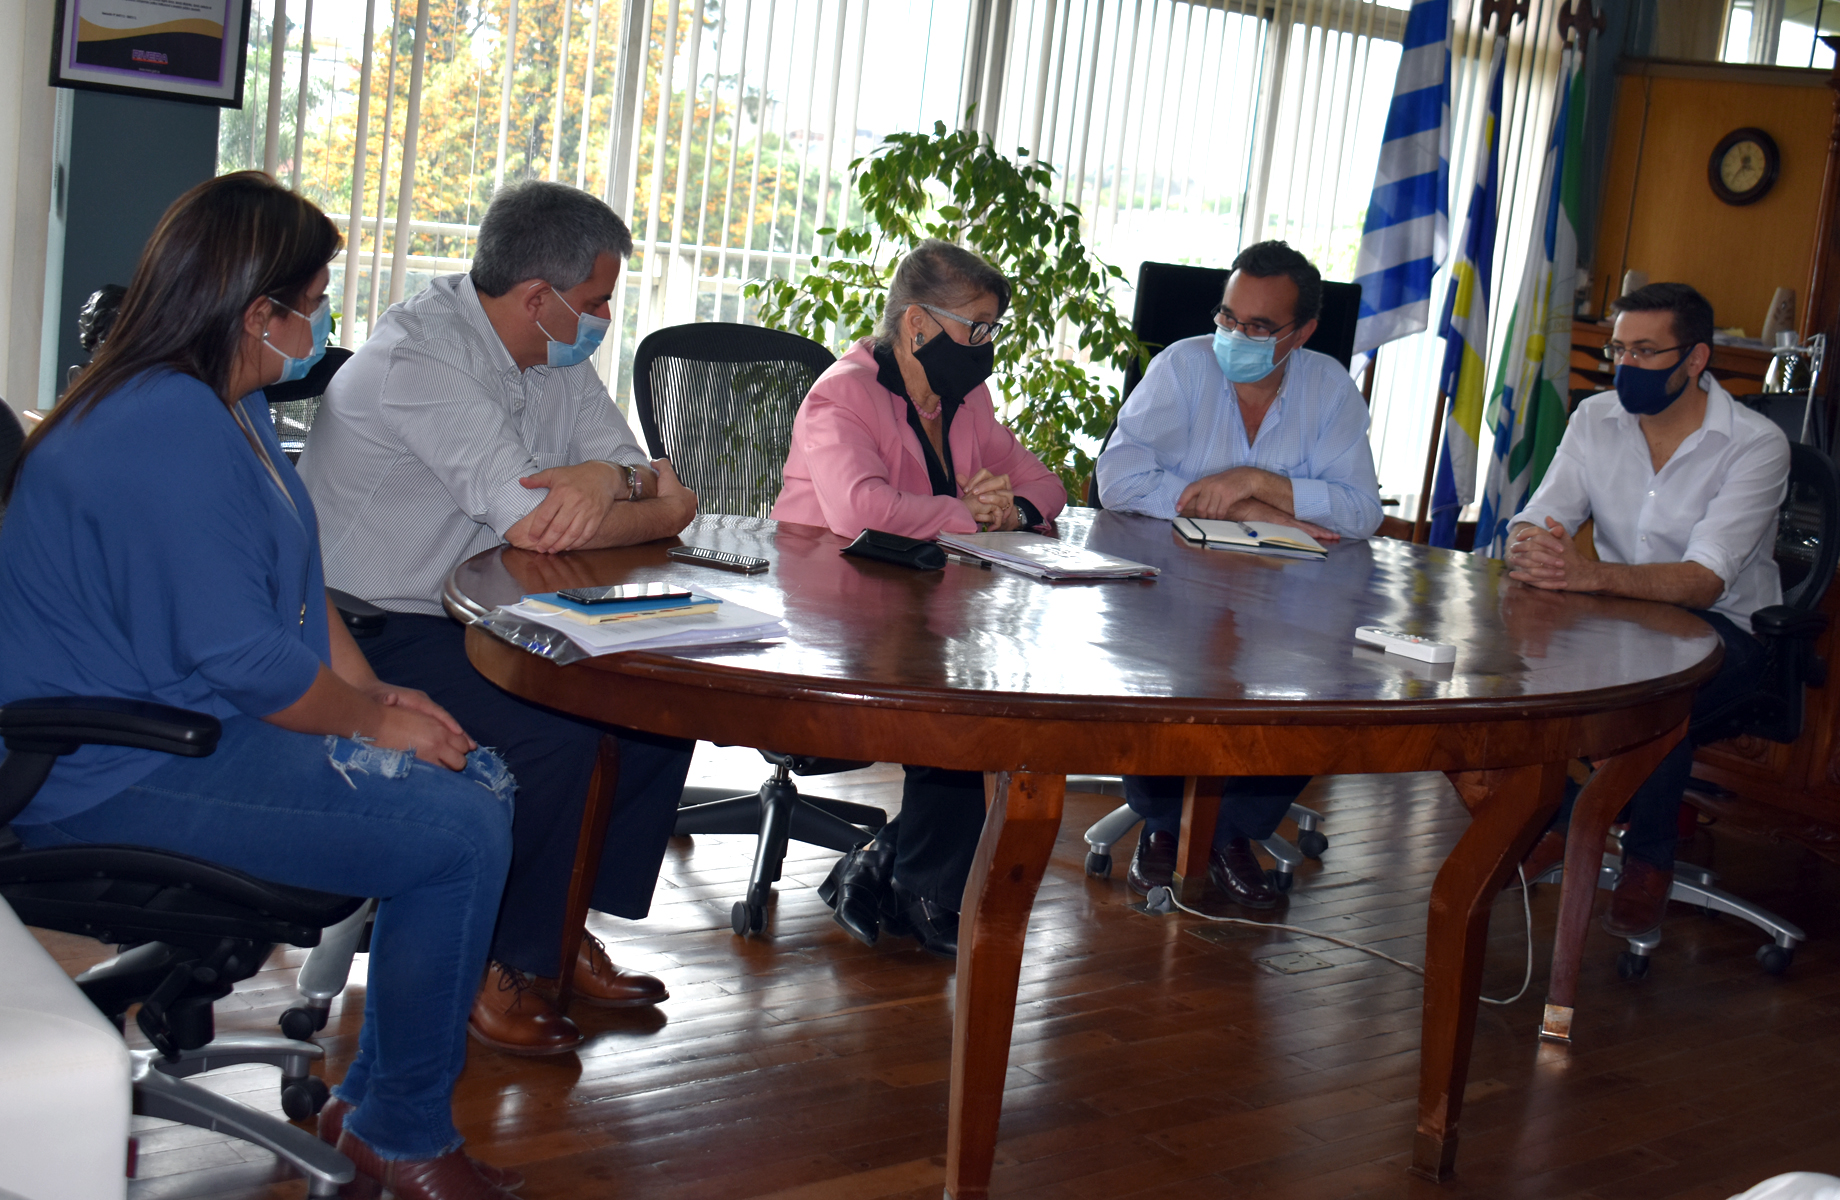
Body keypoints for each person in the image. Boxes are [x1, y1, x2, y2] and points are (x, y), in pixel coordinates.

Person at [0, 171, 522, 1199]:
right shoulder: (161, 425)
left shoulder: (223, 403)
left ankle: (374, 1113)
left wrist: (380, 699)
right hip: (107, 765)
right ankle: (403, 1133)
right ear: (256, 312)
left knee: (477, 780)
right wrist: (368, 723)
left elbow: (297, 583)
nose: (323, 321)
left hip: (185, 724)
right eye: (313, 301)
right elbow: (241, 658)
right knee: (458, 833)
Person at [300, 181, 698, 1056]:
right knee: (557, 733)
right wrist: (648, 499)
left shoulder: (551, 352)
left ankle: (558, 924)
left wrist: (613, 480)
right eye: (597, 301)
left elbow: (643, 478)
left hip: (484, 608)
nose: (605, 319)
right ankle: (503, 959)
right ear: (538, 298)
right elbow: (540, 524)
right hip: (361, 625)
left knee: (661, 705)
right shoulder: (423, 360)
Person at [773, 238, 1067, 955]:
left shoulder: (966, 400)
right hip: (834, 622)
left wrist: (1013, 511)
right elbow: (860, 510)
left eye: (993, 328)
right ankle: (922, 885)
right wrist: (970, 514)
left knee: (985, 694)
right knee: (956, 705)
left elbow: (1047, 484)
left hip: (925, 609)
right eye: (976, 327)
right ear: (916, 324)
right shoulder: (843, 395)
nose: (986, 346)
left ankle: (892, 865)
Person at [1094, 240, 1384, 910]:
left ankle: (1232, 833)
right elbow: (1117, 479)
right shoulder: (1182, 367)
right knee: (1157, 668)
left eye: (1258, 326)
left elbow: (1360, 511)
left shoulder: (1329, 389)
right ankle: (1164, 825)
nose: (1234, 335)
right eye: (1228, 317)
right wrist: (1246, 506)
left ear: (1302, 332)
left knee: (1322, 685)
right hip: (1175, 579)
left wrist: (1258, 481)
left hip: (1283, 595)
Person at [1506, 281, 1788, 938]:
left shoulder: (1755, 443)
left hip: (1727, 632)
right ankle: (1562, 820)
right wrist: (1530, 544)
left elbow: (1704, 581)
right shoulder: (1594, 418)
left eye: (1644, 351)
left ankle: (1645, 861)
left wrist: (1588, 576)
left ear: (1695, 359)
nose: (1625, 365)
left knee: (1655, 700)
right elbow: (1541, 513)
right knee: (1506, 675)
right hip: (1614, 617)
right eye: (1618, 350)